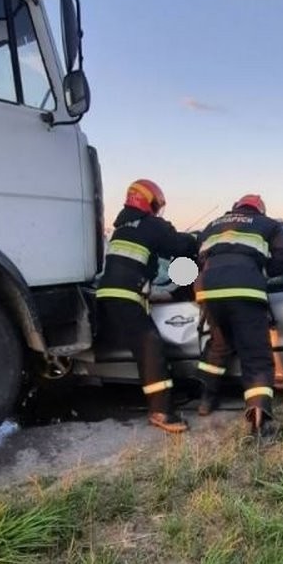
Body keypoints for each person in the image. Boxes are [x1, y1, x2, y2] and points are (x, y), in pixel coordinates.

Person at [96, 179, 197, 433]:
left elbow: (137, 263)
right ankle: (161, 411)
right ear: (149, 201)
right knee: (150, 345)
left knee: (147, 345)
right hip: (125, 296)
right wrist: (196, 241)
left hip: (109, 294)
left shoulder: (123, 227)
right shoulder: (151, 225)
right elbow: (179, 245)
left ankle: (165, 397)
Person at [196, 194, 283, 443]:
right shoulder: (268, 225)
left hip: (211, 293)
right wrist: (261, 271)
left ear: (235, 208)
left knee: (219, 344)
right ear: (260, 210)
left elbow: (199, 256)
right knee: (257, 358)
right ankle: (260, 425)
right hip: (246, 292)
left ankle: (206, 400)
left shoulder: (214, 224)